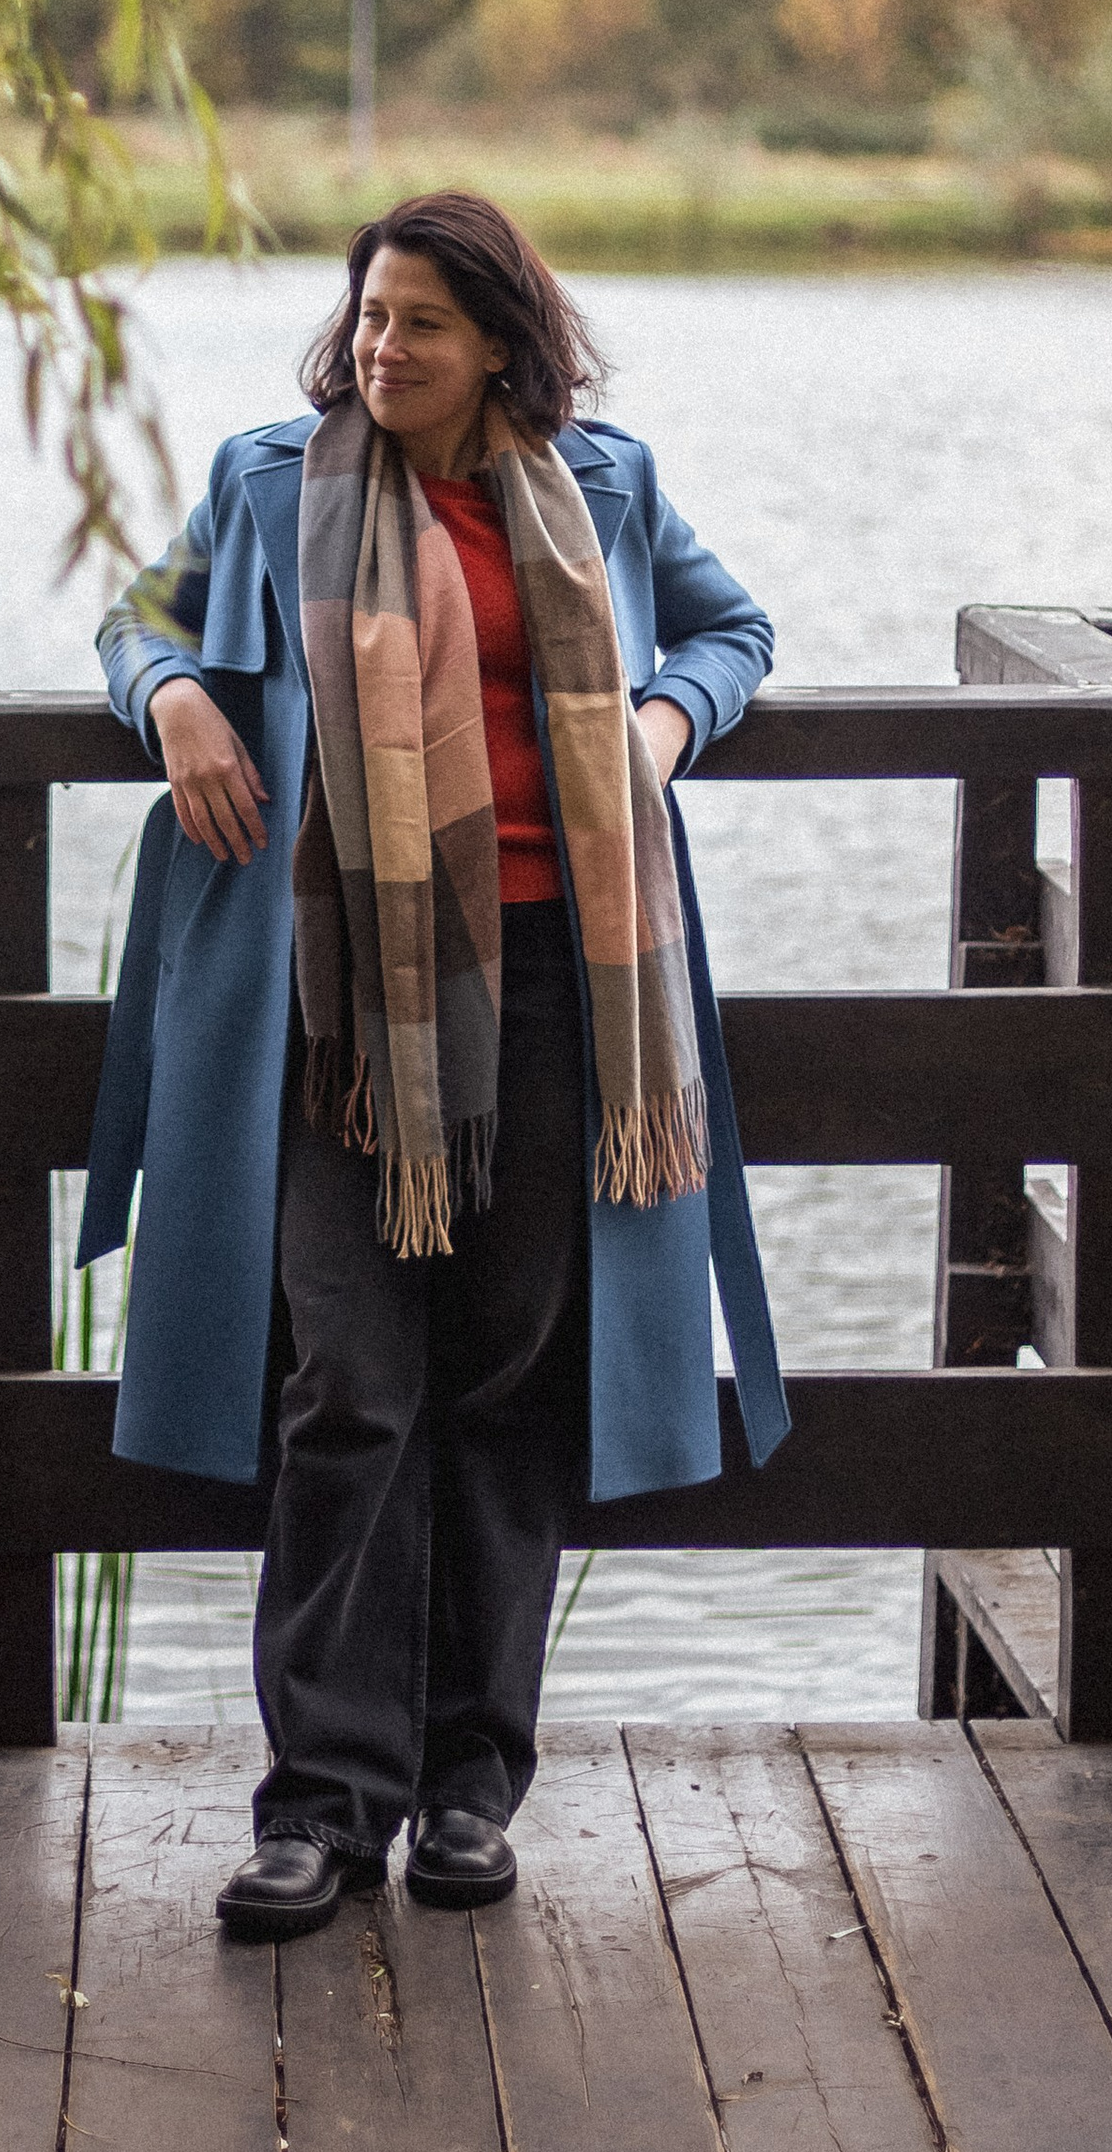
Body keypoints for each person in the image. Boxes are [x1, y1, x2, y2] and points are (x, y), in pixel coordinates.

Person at [77, 193, 789, 1943]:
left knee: (503, 1386)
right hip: (341, 1018)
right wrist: (172, 698)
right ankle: (322, 1805)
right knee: (347, 1385)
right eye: (370, 317)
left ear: (502, 348)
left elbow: (737, 633)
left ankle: (472, 1786)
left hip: (561, 991)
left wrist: (664, 720)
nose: (382, 349)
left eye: (421, 326)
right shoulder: (271, 481)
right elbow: (131, 623)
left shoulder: (601, 487)